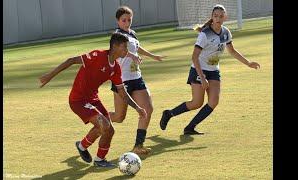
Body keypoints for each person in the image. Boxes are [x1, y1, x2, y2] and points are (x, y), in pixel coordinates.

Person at [39, 33, 147, 167]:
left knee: (110, 130)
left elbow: (123, 93)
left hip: (93, 99)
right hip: (78, 100)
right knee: (104, 125)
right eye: (124, 47)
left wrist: (137, 107)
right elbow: (71, 60)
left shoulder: (116, 68)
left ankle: (93, 154)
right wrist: (50, 75)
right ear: (114, 46)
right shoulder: (97, 56)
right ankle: (86, 149)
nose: (127, 50)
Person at [159, 4, 260, 135]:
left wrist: (248, 63)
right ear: (212, 17)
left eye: (221, 16)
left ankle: (190, 127)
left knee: (213, 102)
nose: (218, 18)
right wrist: (202, 78)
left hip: (213, 71)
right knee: (197, 102)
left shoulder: (226, 32)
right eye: (215, 16)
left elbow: (232, 51)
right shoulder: (204, 34)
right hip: (198, 69)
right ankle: (169, 113)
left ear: (225, 17)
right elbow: (194, 57)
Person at [109, 6, 166, 155]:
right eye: (124, 20)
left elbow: (138, 48)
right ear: (118, 21)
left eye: (129, 19)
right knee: (119, 117)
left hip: (136, 78)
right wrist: (131, 56)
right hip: (122, 81)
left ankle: (138, 145)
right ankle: (98, 117)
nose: (127, 23)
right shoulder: (116, 35)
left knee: (148, 109)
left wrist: (154, 56)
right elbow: (117, 52)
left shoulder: (132, 33)